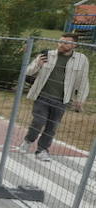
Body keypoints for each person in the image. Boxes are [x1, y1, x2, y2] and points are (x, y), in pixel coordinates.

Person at [21, 33, 89, 161]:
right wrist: (38, 65)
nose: (61, 44)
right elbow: (28, 71)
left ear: (75, 45)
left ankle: (42, 150)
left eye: (66, 42)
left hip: (62, 100)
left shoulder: (82, 59)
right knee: (38, 121)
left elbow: (83, 81)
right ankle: (28, 140)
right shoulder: (47, 55)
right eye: (60, 41)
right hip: (42, 96)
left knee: (52, 127)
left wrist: (80, 99)